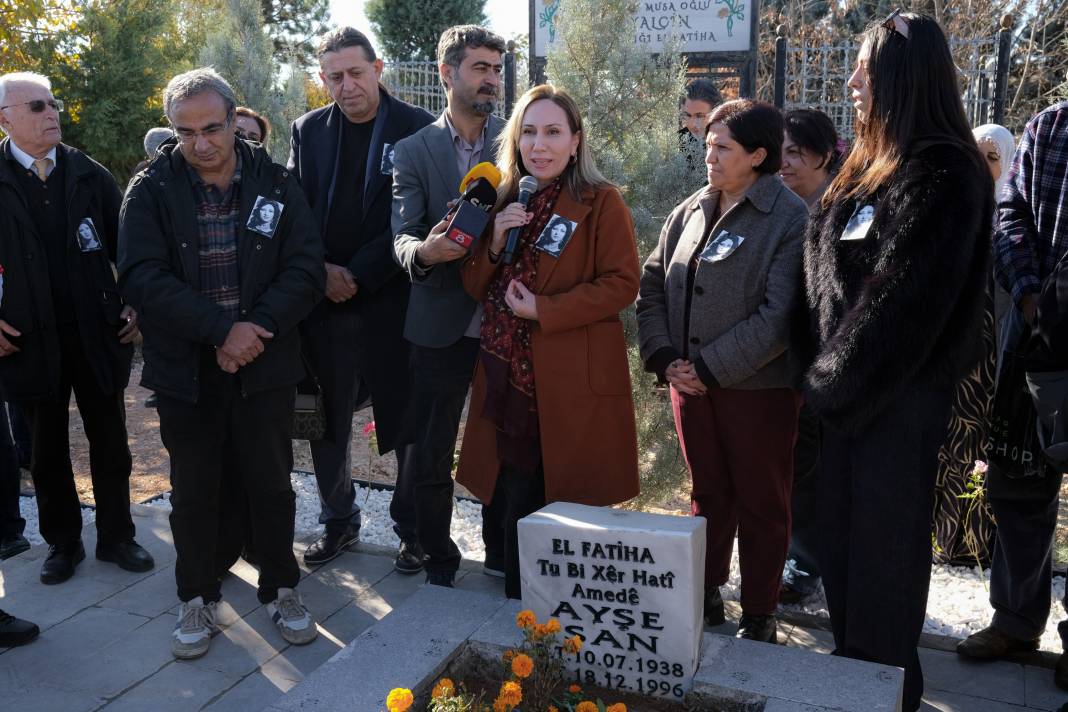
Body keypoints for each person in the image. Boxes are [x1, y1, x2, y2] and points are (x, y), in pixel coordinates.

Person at [796, 13, 991, 709]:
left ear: (903, 80)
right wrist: (817, 376)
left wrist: (827, 382)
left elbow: (901, 302)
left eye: (865, 71)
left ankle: (881, 697)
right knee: (845, 570)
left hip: (894, 407)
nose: (851, 83)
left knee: (882, 574)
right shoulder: (869, 166)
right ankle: (855, 689)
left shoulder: (944, 171)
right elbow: (823, 283)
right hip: (846, 405)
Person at [118, 68, 325, 660]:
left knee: (270, 483)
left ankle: (281, 586)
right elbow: (140, 276)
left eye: (212, 128)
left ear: (235, 119)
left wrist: (251, 333)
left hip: (264, 361)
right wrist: (220, 332)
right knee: (193, 490)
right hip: (187, 368)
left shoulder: (277, 182)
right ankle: (196, 595)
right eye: (185, 132)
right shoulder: (151, 189)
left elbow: (305, 268)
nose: (201, 143)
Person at [458, 84, 641, 599]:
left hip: (565, 378)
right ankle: (519, 605)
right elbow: (473, 285)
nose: (540, 145)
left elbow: (622, 284)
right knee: (512, 484)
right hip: (503, 371)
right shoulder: (503, 197)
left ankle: (545, 605)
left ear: (576, 141)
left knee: (552, 489)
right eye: (529, 132)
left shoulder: (601, 202)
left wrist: (545, 309)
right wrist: (493, 243)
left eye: (553, 133)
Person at [637, 99, 807, 643]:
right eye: (707, 143)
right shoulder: (689, 210)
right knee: (708, 493)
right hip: (690, 389)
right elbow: (651, 286)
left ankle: (759, 612)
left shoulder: (789, 219)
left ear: (758, 155)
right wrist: (666, 360)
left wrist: (706, 368)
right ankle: (705, 593)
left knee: (761, 499)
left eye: (722, 146)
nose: (707, 154)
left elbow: (779, 318)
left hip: (758, 394)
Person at [288, 26, 433, 571]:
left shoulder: (417, 128)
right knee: (322, 421)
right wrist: (321, 271)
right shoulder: (308, 130)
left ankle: (413, 528)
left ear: (378, 68)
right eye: (334, 77)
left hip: (391, 299)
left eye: (355, 72)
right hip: (322, 304)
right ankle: (338, 520)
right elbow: (295, 210)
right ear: (323, 79)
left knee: (406, 420)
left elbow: (415, 219)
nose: (346, 86)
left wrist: (358, 271)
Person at [0, 71, 153, 585]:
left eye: (53, 105)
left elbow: (129, 249)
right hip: (25, 339)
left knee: (111, 440)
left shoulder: (90, 175)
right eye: (37, 107)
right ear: (5, 119)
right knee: (44, 451)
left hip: (95, 332)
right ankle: (62, 544)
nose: (52, 115)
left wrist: (134, 300)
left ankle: (117, 537)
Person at [956, 107, 1068, 692]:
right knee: (1017, 483)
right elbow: (1012, 213)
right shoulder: (1051, 126)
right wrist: (1028, 298)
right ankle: (1017, 620)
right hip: (1035, 333)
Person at [392, 25, 509, 587]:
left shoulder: (519, 141)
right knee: (432, 447)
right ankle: (437, 556)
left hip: (510, 322)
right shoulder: (412, 150)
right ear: (447, 73)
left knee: (506, 443)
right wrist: (424, 252)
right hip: (437, 323)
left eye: (496, 69)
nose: (491, 79)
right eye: (480, 68)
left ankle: (503, 555)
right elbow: (402, 233)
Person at [930, 124, 1015, 568]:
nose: (983, 168)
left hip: (993, 358)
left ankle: (977, 543)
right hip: (953, 352)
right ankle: (943, 538)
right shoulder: (953, 216)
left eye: (992, 158)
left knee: (980, 446)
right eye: (976, 157)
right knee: (948, 441)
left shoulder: (1015, 219)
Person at [777, 107, 845, 604]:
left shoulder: (842, 207)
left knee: (819, 470)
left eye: (796, 153)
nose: (785, 164)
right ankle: (794, 555)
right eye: (779, 153)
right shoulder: (779, 207)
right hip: (782, 363)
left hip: (830, 364)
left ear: (824, 155)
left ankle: (808, 563)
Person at [679, 78, 722, 183]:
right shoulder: (675, 142)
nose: (693, 123)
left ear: (716, 111)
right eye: (688, 115)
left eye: (700, 116)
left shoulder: (730, 141)